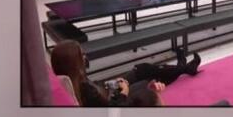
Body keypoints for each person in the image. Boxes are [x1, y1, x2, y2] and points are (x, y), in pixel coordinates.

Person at [50, 40, 201, 107]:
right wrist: (124, 91)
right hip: (117, 97)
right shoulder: (85, 90)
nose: (85, 57)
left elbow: (99, 94)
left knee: (142, 69)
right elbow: (111, 111)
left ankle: (183, 67)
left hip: (110, 91)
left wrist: (113, 85)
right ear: (75, 64)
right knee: (148, 78)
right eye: (81, 55)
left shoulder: (72, 82)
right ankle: (183, 68)